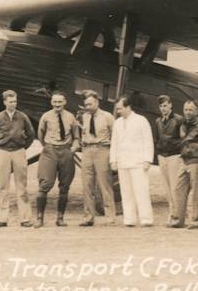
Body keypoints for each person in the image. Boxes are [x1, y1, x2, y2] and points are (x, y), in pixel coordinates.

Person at [0, 90, 36, 228]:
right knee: (3, 186)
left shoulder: (23, 117)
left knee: (22, 186)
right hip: (3, 152)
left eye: (15, 101)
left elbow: (31, 134)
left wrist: (22, 147)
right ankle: (2, 218)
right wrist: (0, 145)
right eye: (10, 101)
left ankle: (25, 218)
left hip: (19, 152)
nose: (13, 104)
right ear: (4, 102)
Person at [35, 90, 80, 228]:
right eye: (54, 102)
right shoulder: (46, 117)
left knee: (65, 186)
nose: (57, 104)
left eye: (60, 102)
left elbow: (76, 137)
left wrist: (72, 149)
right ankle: (39, 218)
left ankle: (60, 218)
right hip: (50, 151)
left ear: (65, 102)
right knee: (45, 184)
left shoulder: (71, 117)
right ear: (51, 102)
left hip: (66, 151)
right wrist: (48, 147)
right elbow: (40, 134)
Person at [110, 95, 154, 227]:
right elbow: (114, 143)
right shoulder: (117, 123)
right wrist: (113, 160)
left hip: (138, 162)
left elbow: (148, 141)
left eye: (120, 109)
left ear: (128, 107)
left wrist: (148, 159)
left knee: (141, 191)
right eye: (117, 109)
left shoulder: (141, 120)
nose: (118, 112)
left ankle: (146, 219)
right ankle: (129, 219)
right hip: (123, 162)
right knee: (126, 192)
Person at [79, 91, 117, 226]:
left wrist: (112, 152)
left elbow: (115, 136)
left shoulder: (107, 117)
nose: (88, 107)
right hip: (87, 150)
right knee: (87, 184)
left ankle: (110, 216)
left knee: (104, 184)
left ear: (97, 102)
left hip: (102, 150)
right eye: (86, 105)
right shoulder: (85, 116)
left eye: (90, 104)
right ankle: (88, 216)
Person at [173, 100, 198, 229]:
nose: (188, 112)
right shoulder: (182, 125)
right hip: (184, 161)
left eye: (190, 110)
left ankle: (196, 221)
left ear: (196, 111)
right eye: (186, 110)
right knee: (179, 189)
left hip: (197, 161)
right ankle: (178, 220)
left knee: (196, 193)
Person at [153, 95, 184, 227]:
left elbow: (183, 139)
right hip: (162, 157)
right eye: (161, 106)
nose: (163, 108)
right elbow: (157, 139)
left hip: (174, 156)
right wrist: (159, 152)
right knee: (167, 188)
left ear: (171, 105)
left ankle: (178, 215)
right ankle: (172, 214)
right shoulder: (158, 121)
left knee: (175, 187)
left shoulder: (179, 120)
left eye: (165, 105)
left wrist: (176, 148)